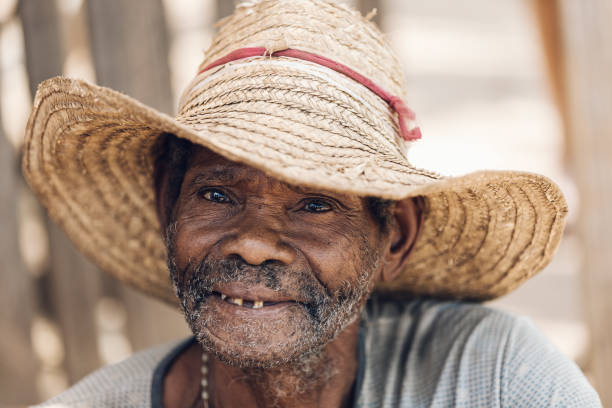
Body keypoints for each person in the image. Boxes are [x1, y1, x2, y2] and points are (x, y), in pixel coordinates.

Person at [24, 0, 601, 407]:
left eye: (316, 205)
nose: (251, 244)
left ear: (394, 236)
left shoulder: (494, 377)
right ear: (165, 205)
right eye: (217, 194)